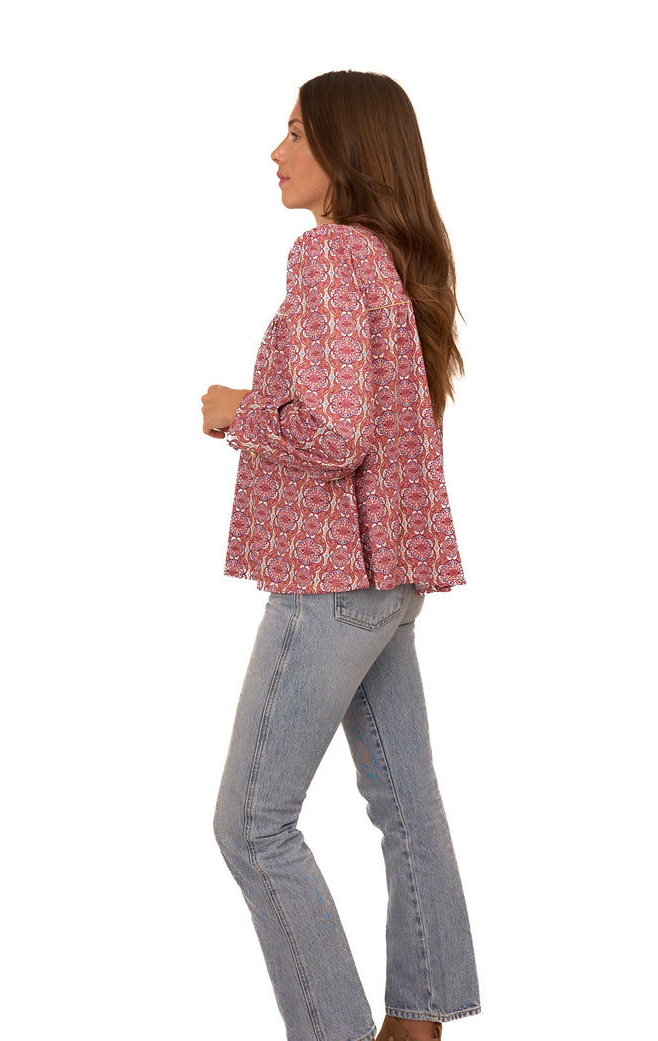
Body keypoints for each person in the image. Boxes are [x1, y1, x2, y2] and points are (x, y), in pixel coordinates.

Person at [201, 70, 480, 1041]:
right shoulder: (391, 259)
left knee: (250, 825)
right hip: (390, 581)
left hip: (329, 585)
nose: (275, 152)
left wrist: (240, 414)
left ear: (345, 150)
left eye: (294, 133)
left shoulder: (327, 256)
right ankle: (419, 1022)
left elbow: (336, 433)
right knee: (407, 804)